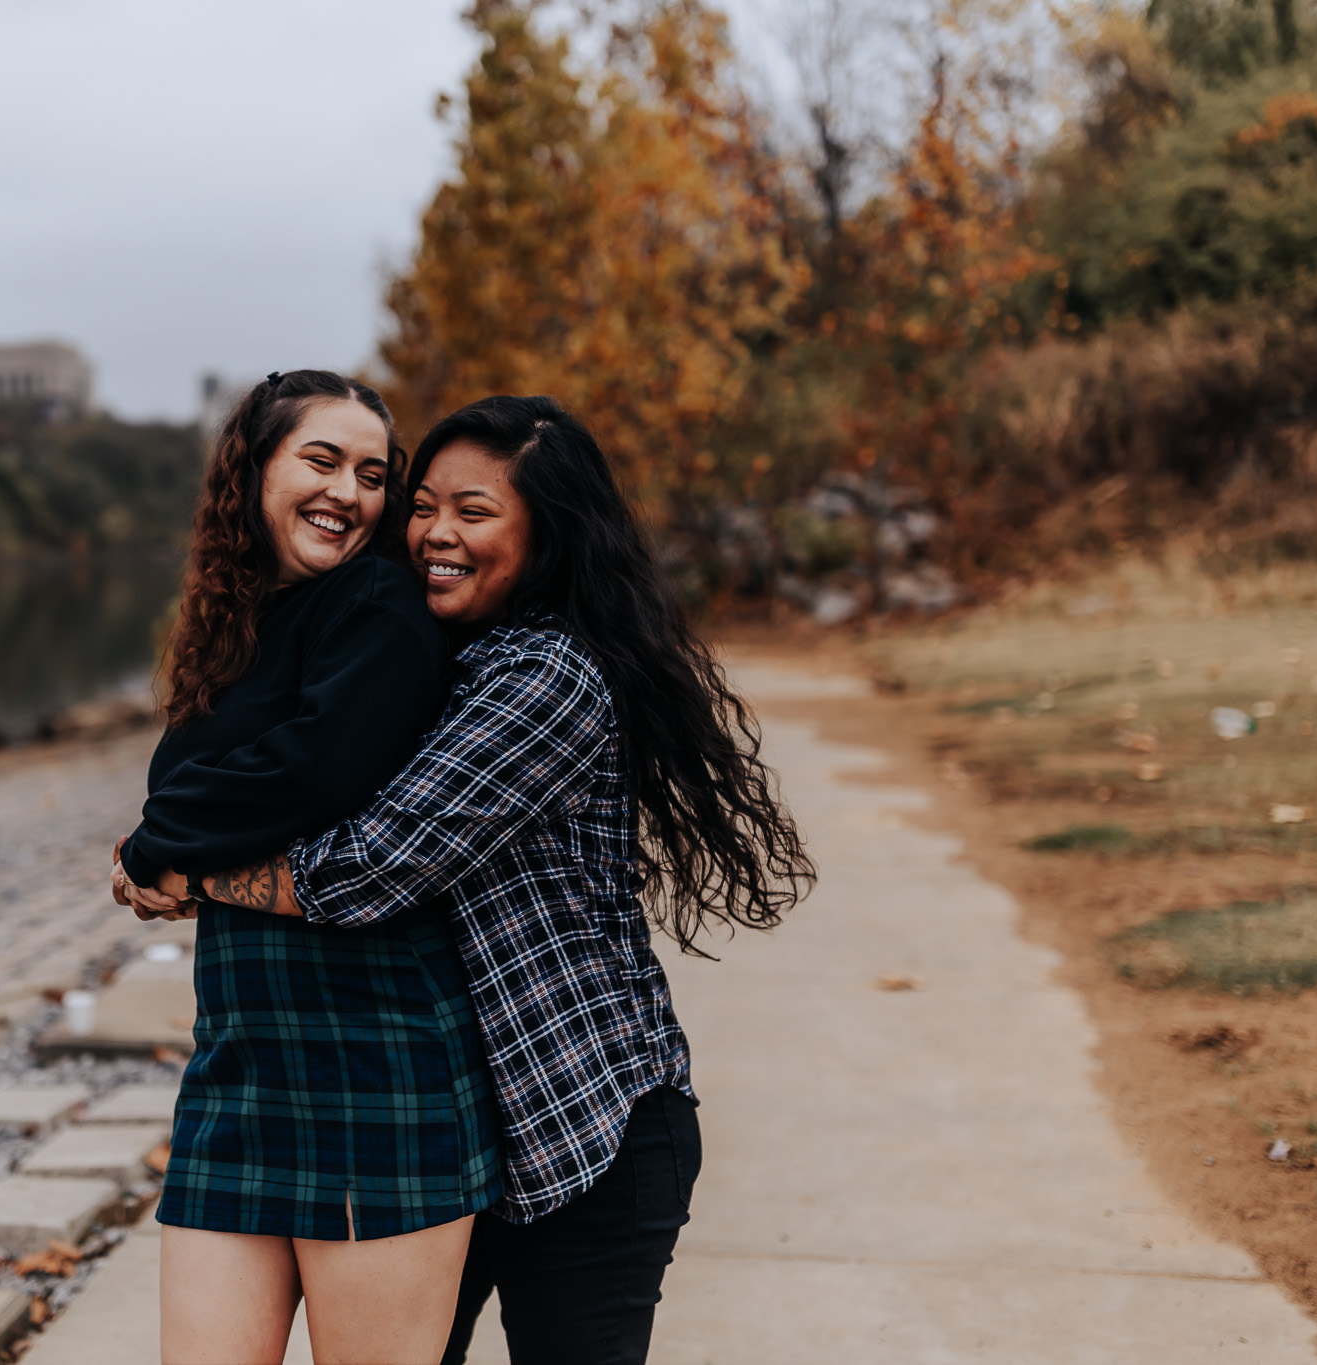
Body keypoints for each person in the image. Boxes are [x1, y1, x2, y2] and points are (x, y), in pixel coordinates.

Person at [153, 395, 816, 1364]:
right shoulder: (416, 642)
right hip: (460, 1118)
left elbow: (367, 868)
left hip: (583, 1123)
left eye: (473, 511)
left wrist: (186, 874)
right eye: (421, 505)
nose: (433, 533)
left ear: (544, 532)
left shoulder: (544, 676)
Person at [110, 370, 503, 1365]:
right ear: (252, 471)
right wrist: (174, 825)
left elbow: (313, 769)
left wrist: (160, 848)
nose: (349, 492)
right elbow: (190, 786)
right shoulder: (235, 628)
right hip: (237, 1067)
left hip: (372, 1063)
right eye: (320, 460)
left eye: (374, 474)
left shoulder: (378, 604)